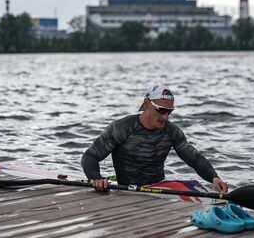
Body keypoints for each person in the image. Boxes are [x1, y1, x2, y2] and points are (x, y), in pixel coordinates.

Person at [81, 83, 229, 193]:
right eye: (161, 110)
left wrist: (214, 178)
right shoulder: (122, 127)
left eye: (169, 112)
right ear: (146, 104)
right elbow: (90, 156)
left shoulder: (172, 131)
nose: (165, 117)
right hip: (127, 191)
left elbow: (194, 159)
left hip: (159, 190)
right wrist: (96, 178)